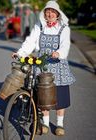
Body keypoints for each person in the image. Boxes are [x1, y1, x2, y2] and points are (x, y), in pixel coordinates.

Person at [12, 0, 76, 136]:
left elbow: (65, 46)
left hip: (58, 65)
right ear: (44, 13)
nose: (50, 14)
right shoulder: (39, 26)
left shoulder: (64, 28)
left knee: (60, 97)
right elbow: (30, 41)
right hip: (42, 65)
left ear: (58, 14)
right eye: (48, 11)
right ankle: (45, 123)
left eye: (53, 11)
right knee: (43, 95)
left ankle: (59, 124)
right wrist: (20, 53)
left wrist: (59, 53)